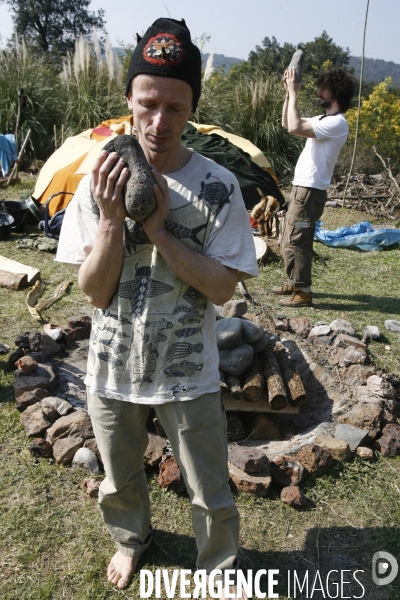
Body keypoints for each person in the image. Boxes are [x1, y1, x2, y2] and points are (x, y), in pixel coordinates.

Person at [56, 17, 258, 599]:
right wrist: (115, 219)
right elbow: (94, 292)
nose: (159, 122)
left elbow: (223, 290)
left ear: (192, 104)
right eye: (148, 104)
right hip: (112, 365)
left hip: (188, 370)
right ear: (129, 100)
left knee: (209, 486)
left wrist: (162, 231)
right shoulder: (99, 179)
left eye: (175, 106)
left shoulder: (219, 185)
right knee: (119, 479)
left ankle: (217, 564)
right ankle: (129, 539)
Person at [272, 67, 356, 307]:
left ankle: (303, 292)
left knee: (297, 239)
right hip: (302, 188)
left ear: (336, 92)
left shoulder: (338, 123)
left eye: (323, 89)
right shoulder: (323, 120)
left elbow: (296, 127)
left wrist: (294, 92)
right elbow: (287, 122)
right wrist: (289, 95)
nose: (319, 92)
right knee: (290, 236)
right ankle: (294, 281)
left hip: (310, 191)